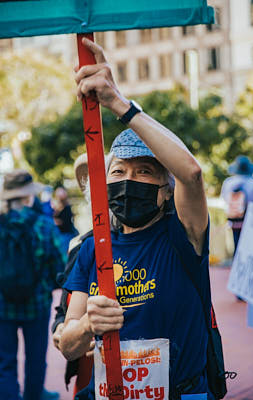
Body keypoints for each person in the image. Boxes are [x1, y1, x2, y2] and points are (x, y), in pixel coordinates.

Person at [60, 38, 212, 399]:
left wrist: (116, 102)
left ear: (164, 188)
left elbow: (191, 173)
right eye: (119, 171)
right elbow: (67, 346)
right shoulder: (91, 249)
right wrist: (86, 327)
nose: (129, 180)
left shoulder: (184, 236)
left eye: (145, 171)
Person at [0, 169, 67, 400]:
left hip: (2, 306)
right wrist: (46, 285)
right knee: (36, 358)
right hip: (37, 303)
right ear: (29, 196)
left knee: (5, 361)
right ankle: (34, 394)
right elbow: (59, 264)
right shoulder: (43, 224)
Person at [52, 153, 94, 398]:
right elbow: (62, 311)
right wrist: (60, 329)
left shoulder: (167, 243)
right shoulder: (81, 246)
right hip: (89, 376)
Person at [221, 155, 253, 254]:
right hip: (248, 220)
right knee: (248, 247)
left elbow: (225, 199)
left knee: (236, 244)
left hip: (233, 219)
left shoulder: (228, 182)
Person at [53, 186, 79, 253]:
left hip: (67, 235)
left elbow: (65, 222)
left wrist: (54, 221)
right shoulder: (56, 207)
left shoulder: (67, 207)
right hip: (61, 235)